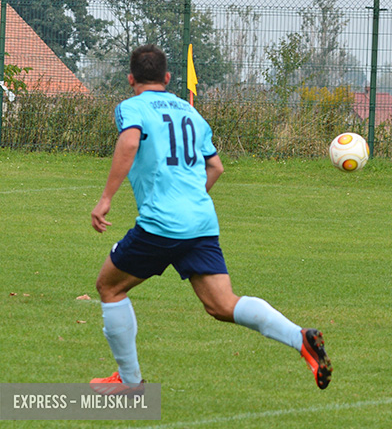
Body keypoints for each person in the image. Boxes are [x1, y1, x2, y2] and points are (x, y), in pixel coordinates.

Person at [89, 45, 332, 391]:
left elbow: (129, 144)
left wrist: (106, 198)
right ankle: (299, 338)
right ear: (168, 78)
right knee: (222, 304)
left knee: (109, 288)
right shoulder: (191, 113)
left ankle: (130, 383)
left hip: (162, 223)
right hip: (201, 221)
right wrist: (191, 200)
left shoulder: (131, 107)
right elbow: (215, 166)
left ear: (131, 79)